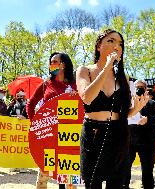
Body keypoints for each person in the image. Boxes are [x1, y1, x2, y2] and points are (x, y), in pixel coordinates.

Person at [76, 29, 148, 189]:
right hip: (93, 133)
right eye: (111, 41)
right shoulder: (84, 70)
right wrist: (106, 68)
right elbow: (87, 97)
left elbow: (122, 113)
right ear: (98, 46)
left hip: (118, 134)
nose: (116, 46)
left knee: (116, 182)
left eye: (120, 44)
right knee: (92, 182)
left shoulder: (123, 77)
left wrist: (135, 109)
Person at [26, 52, 77, 189]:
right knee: (44, 174)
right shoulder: (46, 84)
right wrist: (35, 125)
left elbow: (85, 104)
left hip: (69, 136)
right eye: (51, 62)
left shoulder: (76, 84)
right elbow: (30, 105)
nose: (51, 64)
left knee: (69, 177)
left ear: (63, 64)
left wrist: (77, 96)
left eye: (55, 61)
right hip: (49, 136)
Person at [124, 79, 155, 189]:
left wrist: (148, 120)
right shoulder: (127, 103)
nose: (139, 89)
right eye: (137, 87)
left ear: (146, 89)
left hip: (146, 140)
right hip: (129, 139)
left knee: (147, 169)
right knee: (125, 167)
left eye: (141, 87)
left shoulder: (152, 103)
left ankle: (147, 185)